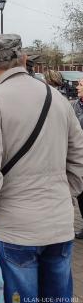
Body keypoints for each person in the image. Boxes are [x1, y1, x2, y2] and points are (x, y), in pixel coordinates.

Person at [0, 34, 83, 303]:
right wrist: (64, 192)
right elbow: (79, 157)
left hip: (14, 227)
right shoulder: (57, 98)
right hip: (58, 222)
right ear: (24, 59)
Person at [73, 78, 83, 239]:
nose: (77, 87)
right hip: (79, 154)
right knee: (81, 194)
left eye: (81, 84)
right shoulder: (74, 105)